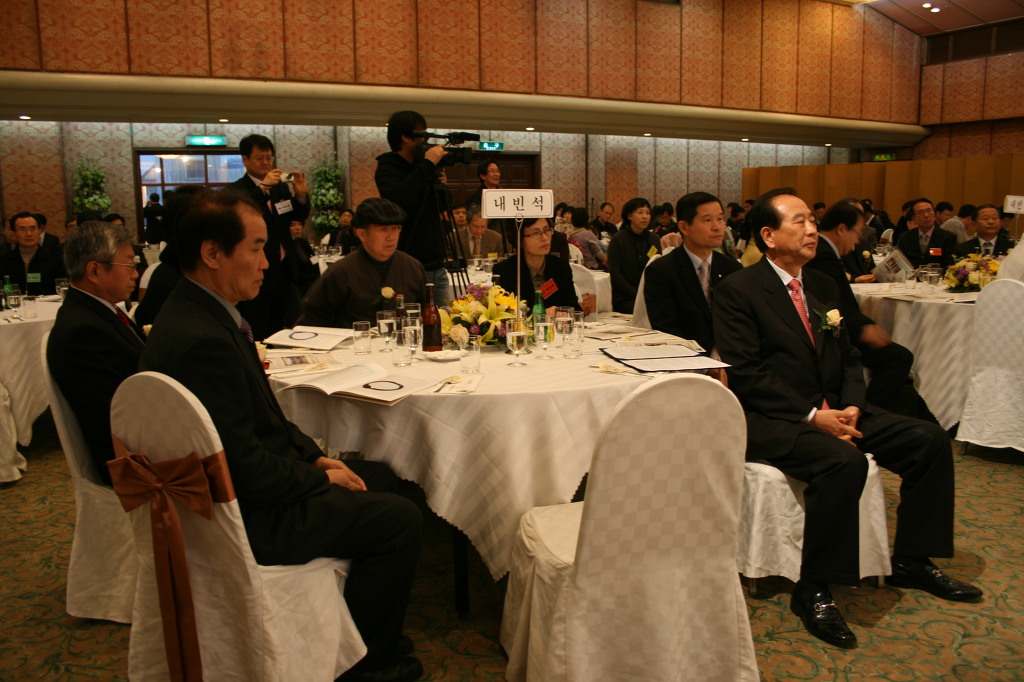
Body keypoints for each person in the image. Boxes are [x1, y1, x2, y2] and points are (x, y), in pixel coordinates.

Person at [139, 189, 423, 682]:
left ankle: (355, 629)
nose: (268, 262)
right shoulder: (203, 341)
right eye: (254, 247)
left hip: (238, 491)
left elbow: (266, 420)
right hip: (242, 517)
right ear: (211, 253)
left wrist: (316, 460)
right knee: (399, 519)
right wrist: (318, 481)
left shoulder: (200, 314)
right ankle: (371, 665)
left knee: (385, 478)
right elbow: (242, 465)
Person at [713, 188, 981, 650]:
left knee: (929, 440)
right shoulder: (738, 290)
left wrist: (853, 404)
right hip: (774, 417)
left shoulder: (822, 285)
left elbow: (851, 356)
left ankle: (913, 559)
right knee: (844, 462)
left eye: (811, 221)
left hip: (837, 408)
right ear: (768, 235)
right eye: (798, 221)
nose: (812, 228)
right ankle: (814, 586)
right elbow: (747, 373)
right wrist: (814, 416)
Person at [46, 221, 144, 486]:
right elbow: (116, 415)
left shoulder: (98, 311)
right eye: (130, 265)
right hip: (132, 465)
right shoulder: (84, 332)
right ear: (94, 270)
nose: (136, 274)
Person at [806, 201, 914, 413]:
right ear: (841, 228)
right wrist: (862, 328)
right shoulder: (823, 254)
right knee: (898, 357)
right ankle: (872, 412)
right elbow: (831, 304)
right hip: (831, 336)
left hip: (842, 328)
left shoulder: (828, 251)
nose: (858, 240)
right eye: (858, 232)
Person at [227, 133, 310, 340]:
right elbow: (240, 218)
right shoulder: (236, 190)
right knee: (259, 323)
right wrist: (263, 188)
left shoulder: (279, 188)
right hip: (257, 266)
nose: (266, 163)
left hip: (284, 266)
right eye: (260, 158)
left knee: (285, 323)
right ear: (245, 160)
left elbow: (295, 218)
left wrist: (300, 195)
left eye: (269, 158)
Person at [300, 198, 426, 328]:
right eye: (383, 229)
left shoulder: (413, 267)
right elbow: (313, 315)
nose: (391, 237)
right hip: (355, 345)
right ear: (362, 234)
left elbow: (425, 311)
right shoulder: (341, 271)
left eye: (395, 228)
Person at [643, 192, 741, 354]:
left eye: (720, 218)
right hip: (684, 360)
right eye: (708, 220)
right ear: (684, 227)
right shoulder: (662, 271)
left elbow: (740, 323)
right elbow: (667, 330)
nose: (717, 226)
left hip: (729, 358)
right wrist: (706, 362)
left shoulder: (732, 268)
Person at [375, 110, 452, 304]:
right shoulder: (387, 167)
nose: (425, 140)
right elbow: (398, 198)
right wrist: (427, 164)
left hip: (437, 264)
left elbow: (444, 205)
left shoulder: (425, 167)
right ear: (406, 137)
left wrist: (442, 184)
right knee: (411, 324)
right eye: (422, 134)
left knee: (447, 323)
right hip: (406, 265)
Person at [492, 217, 594, 316]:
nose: (544, 238)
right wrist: (542, 314)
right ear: (519, 239)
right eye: (536, 233)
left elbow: (573, 308)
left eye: (547, 230)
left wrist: (562, 313)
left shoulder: (560, 267)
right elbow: (505, 313)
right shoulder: (504, 271)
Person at [606, 197, 660, 313]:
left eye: (647, 213)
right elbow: (615, 273)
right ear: (629, 216)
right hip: (625, 296)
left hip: (649, 294)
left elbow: (658, 269)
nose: (645, 216)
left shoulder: (654, 239)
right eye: (640, 212)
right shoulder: (619, 239)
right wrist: (635, 294)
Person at [0, 211, 67, 295]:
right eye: (23, 229)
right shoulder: (4, 261)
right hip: (15, 306)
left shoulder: (54, 261)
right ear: (14, 233)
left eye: (33, 228)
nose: (29, 234)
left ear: (40, 231)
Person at [895, 198, 957, 269]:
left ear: (934, 214)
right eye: (920, 213)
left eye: (929, 211)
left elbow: (949, 265)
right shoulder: (905, 237)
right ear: (914, 218)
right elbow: (900, 263)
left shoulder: (947, 237)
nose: (926, 215)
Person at [289, 220, 320, 295]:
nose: (298, 228)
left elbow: (315, 259)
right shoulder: (287, 247)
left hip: (311, 282)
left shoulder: (303, 242)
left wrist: (318, 276)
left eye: (299, 224)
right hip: (297, 286)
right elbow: (294, 273)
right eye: (293, 225)